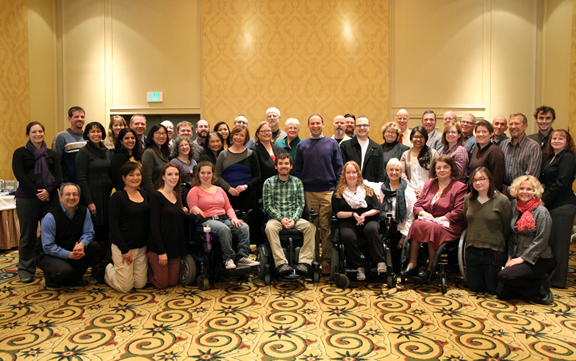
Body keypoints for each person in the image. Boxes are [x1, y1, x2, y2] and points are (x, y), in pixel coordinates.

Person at [401, 155, 467, 280]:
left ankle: (431, 268)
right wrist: (423, 213)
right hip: (429, 220)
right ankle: (412, 264)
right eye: (438, 167)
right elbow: (418, 205)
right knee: (416, 224)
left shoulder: (460, 187)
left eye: (445, 167)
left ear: (451, 169)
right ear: (434, 170)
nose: (442, 170)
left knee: (432, 227)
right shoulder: (429, 184)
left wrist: (442, 218)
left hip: (450, 224)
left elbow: (459, 211)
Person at [12, 122, 62, 283]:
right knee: (28, 235)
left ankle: (49, 266)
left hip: (50, 198)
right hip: (27, 198)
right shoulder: (20, 153)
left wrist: (48, 191)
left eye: (40, 131)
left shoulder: (51, 154)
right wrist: (37, 192)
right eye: (34, 132)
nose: (38, 134)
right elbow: (20, 176)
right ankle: (26, 268)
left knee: (50, 234)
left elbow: (58, 176)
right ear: (28, 134)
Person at [294, 114, 343, 276]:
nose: (315, 126)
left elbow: (338, 168)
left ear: (323, 124)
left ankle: (326, 261)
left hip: (328, 191)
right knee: (312, 228)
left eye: (318, 123)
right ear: (308, 126)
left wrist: (336, 189)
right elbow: (298, 170)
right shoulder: (302, 145)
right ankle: (312, 259)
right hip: (309, 192)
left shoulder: (332, 144)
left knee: (326, 227)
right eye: (312, 124)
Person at [188, 161, 259, 269]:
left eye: (208, 173)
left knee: (243, 227)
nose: (206, 176)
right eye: (203, 173)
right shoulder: (194, 190)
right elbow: (192, 208)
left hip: (223, 218)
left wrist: (234, 218)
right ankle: (228, 258)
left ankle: (242, 257)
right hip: (206, 221)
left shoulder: (220, 190)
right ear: (198, 174)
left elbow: (228, 207)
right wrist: (194, 209)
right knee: (223, 229)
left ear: (213, 174)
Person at [496, 176, 554, 304]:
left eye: (529, 189)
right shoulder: (515, 209)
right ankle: (534, 284)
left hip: (539, 259)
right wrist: (510, 257)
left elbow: (542, 239)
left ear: (535, 192)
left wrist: (521, 259)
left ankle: (540, 287)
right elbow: (513, 235)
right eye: (521, 188)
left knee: (504, 276)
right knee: (501, 293)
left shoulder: (541, 212)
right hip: (518, 256)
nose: (525, 192)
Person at [37, 183, 99, 287]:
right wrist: (69, 255)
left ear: (79, 197)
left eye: (75, 194)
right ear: (60, 197)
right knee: (64, 271)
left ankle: (74, 279)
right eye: (68, 194)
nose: (71, 197)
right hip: (48, 254)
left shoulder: (85, 211)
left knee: (94, 246)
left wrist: (81, 245)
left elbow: (89, 232)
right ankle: (52, 278)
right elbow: (48, 247)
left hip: (72, 248)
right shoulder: (50, 217)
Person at [263, 154, 316, 275]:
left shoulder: (297, 182)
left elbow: (300, 204)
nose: (283, 166)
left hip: (294, 217)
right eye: (280, 163)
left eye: (286, 163)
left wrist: (294, 219)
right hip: (276, 218)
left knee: (311, 227)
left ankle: (304, 263)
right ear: (276, 166)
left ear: (291, 166)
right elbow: (268, 206)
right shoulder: (268, 183)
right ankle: (281, 263)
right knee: (269, 228)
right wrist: (281, 219)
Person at [464, 167, 511, 294]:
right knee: (475, 288)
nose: (478, 183)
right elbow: (466, 222)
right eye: (474, 180)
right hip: (472, 251)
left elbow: (507, 228)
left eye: (481, 179)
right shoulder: (468, 199)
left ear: (490, 180)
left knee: (492, 289)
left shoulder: (502, 200)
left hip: (492, 252)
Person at [103, 162, 149, 292]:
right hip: (123, 247)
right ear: (123, 178)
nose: (135, 178)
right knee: (125, 287)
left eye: (138, 174)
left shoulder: (144, 194)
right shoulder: (117, 197)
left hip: (141, 248)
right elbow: (114, 225)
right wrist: (124, 249)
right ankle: (107, 269)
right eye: (131, 175)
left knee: (140, 284)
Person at [332, 161, 382, 280]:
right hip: (348, 220)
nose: (351, 175)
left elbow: (377, 208)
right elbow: (337, 213)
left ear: (358, 174)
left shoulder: (368, 190)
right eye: (348, 172)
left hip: (368, 219)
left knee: (372, 229)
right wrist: (353, 214)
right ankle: (360, 266)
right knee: (347, 235)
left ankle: (380, 261)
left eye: (354, 172)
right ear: (344, 175)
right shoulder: (338, 193)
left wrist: (364, 214)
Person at [366, 158, 416, 274]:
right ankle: (379, 264)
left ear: (401, 172)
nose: (394, 172)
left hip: (400, 227)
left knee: (395, 259)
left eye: (397, 170)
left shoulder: (408, 191)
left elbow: (411, 216)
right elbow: (362, 182)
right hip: (383, 224)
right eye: (391, 169)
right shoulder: (380, 188)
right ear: (387, 171)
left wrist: (404, 236)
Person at [76, 121, 112, 276]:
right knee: (95, 230)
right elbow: (82, 179)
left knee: (106, 230)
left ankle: (104, 264)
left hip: (106, 196)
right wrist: (90, 202)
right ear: (87, 134)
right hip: (93, 196)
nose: (96, 134)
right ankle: (95, 267)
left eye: (98, 131)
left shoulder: (107, 151)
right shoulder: (83, 153)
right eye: (92, 132)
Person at [540, 129, 576, 288]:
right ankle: (550, 275)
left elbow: (562, 183)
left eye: (561, 138)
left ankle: (557, 280)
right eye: (554, 138)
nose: (556, 140)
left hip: (563, 205)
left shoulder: (568, 158)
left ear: (567, 142)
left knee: (560, 245)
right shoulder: (550, 158)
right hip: (551, 204)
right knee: (551, 242)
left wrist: (543, 200)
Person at [215, 126, 261, 243]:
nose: (238, 138)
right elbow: (217, 176)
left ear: (246, 138)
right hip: (228, 196)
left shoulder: (252, 154)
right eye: (236, 134)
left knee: (248, 226)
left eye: (242, 135)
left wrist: (245, 186)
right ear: (232, 136)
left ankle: (247, 254)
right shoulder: (223, 154)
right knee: (230, 227)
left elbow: (257, 176)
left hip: (248, 196)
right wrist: (228, 188)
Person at [147, 163, 187, 289]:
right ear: (163, 177)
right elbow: (153, 226)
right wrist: (161, 252)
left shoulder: (177, 195)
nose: (173, 177)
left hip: (174, 246)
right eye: (169, 174)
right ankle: (147, 271)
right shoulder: (157, 196)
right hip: (159, 247)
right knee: (162, 284)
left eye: (176, 174)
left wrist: (183, 209)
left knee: (173, 282)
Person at [500, 113, 542, 194]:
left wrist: (509, 189)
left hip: (523, 193)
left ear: (525, 126)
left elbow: (531, 177)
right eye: (511, 124)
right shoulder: (503, 145)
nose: (513, 126)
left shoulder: (533, 147)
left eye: (517, 123)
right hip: (504, 194)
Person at [340, 116, 386, 183]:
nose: (362, 128)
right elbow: (342, 169)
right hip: (350, 186)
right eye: (359, 125)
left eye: (365, 125)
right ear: (355, 127)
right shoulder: (345, 146)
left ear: (369, 126)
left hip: (371, 188)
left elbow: (380, 172)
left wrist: (378, 188)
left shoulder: (377, 148)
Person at [400, 125, 439, 196]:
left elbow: (436, 173)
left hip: (429, 191)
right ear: (411, 138)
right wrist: (411, 189)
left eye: (421, 137)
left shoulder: (433, 153)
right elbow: (402, 173)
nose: (418, 139)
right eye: (416, 136)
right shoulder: (405, 154)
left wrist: (425, 189)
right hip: (410, 192)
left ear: (425, 138)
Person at [52, 106, 87, 183]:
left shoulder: (88, 137)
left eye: (82, 117)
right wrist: (60, 183)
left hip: (86, 183)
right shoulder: (61, 137)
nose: (80, 119)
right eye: (76, 117)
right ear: (69, 119)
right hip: (68, 183)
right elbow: (56, 163)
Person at [468, 120, 505, 192]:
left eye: (484, 132)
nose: (480, 134)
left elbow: (497, 179)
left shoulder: (495, 152)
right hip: (475, 193)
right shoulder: (476, 151)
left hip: (488, 196)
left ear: (491, 134)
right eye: (478, 132)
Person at [252, 121, 287, 195]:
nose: (266, 133)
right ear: (258, 134)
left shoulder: (280, 149)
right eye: (263, 131)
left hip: (282, 189)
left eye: (268, 130)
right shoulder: (254, 151)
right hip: (264, 191)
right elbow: (256, 175)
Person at [141, 124, 170, 197]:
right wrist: (154, 197)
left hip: (164, 194)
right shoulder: (149, 152)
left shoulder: (164, 153)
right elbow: (147, 180)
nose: (161, 136)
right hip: (153, 195)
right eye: (157, 133)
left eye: (163, 133)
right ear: (152, 136)